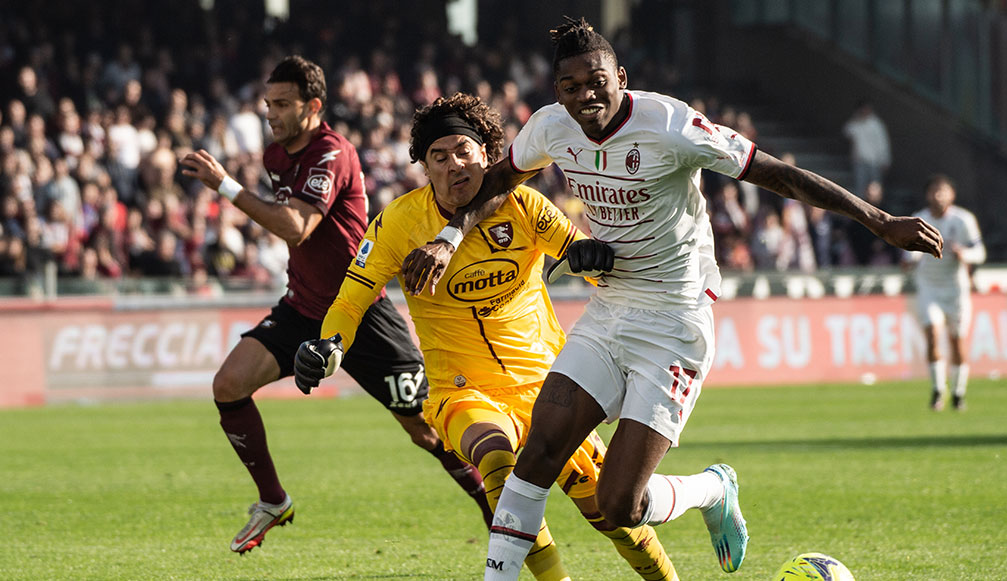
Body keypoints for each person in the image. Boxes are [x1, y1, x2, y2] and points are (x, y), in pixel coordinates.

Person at [399, 18, 943, 578]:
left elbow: (778, 175)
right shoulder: (549, 128)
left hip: (675, 320)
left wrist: (878, 221)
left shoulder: (672, 124)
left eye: (597, 81)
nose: (586, 96)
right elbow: (496, 181)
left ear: (621, 77)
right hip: (609, 312)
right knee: (535, 458)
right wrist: (448, 237)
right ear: (556, 91)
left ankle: (712, 489)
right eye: (571, 87)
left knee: (619, 506)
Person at [294, 92, 679, 581]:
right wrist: (329, 345)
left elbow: (586, 254)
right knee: (496, 462)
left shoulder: (524, 205)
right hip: (462, 389)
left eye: (464, 151)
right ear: (424, 167)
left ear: (487, 156)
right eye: (440, 156)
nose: (455, 164)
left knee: (609, 513)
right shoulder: (398, 224)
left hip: (549, 385)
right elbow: (350, 299)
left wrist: (590, 259)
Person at [178, 55, 490, 555]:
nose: (271, 114)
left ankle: (497, 511)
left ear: (313, 106)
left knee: (426, 431)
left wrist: (224, 186)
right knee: (228, 385)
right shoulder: (276, 156)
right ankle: (273, 501)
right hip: (303, 307)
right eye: (267, 104)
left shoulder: (333, 152)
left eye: (282, 104)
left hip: (360, 310)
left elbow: (296, 226)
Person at [902, 174, 985, 411]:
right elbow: (910, 252)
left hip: (956, 289)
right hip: (929, 287)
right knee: (932, 335)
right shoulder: (920, 220)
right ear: (927, 195)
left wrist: (964, 254)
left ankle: (958, 393)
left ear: (952, 195)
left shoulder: (963, 220)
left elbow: (980, 252)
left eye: (943, 191)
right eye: (934, 191)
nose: (938, 195)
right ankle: (938, 390)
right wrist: (910, 260)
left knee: (957, 341)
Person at [842, 100, 891, 203]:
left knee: (875, 189)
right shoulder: (856, 123)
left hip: (874, 161)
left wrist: (885, 159)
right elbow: (847, 132)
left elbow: (883, 143)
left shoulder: (876, 124)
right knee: (860, 188)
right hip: (859, 160)